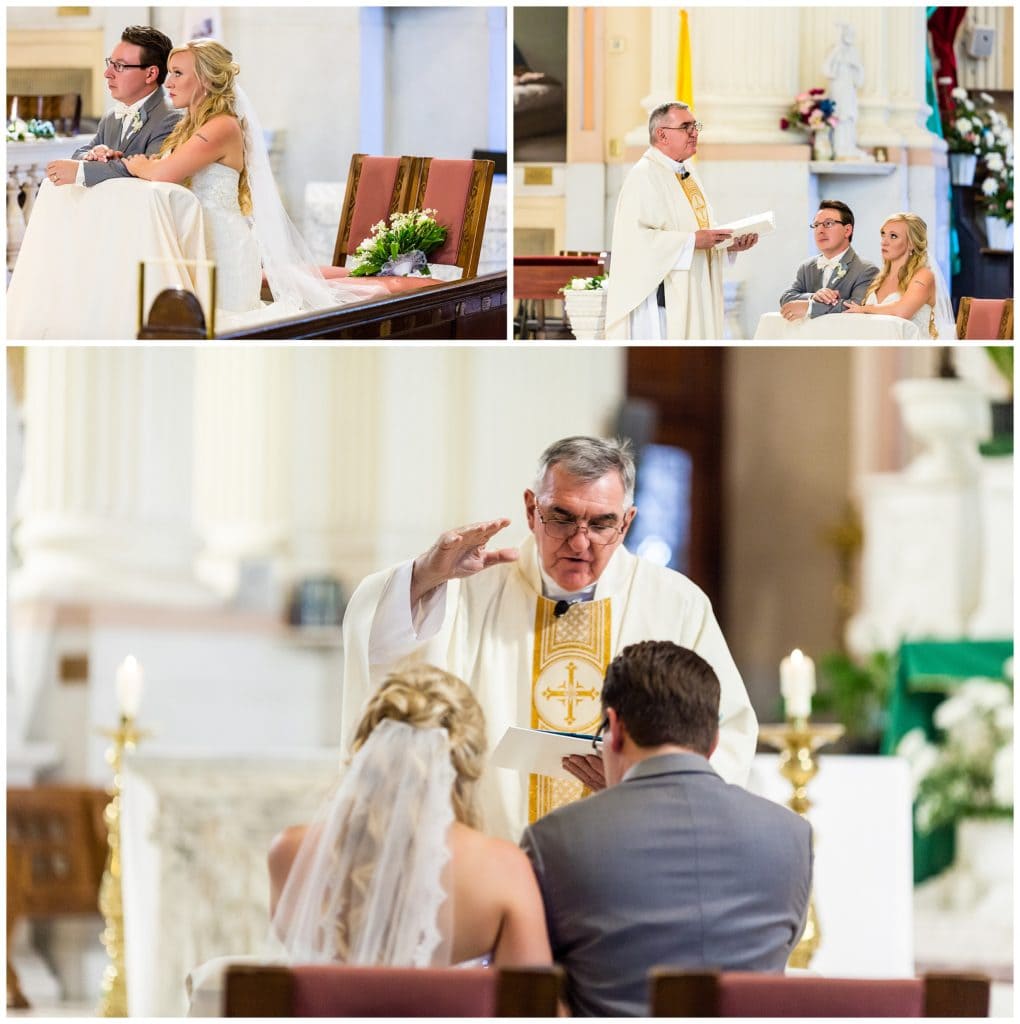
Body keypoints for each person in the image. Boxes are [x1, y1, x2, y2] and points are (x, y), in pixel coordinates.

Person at [341, 435, 758, 843]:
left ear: (627, 522)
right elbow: (384, 653)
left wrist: (644, 785)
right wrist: (426, 574)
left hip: (623, 858)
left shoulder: (675, 603)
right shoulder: (472, 589)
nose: (580, 542)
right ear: (530, 509)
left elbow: (727, 733)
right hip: (498, 861)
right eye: (561, 517)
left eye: (601, 523)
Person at [186, 663, 551, 1015]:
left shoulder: (289, 853)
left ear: (365, 749)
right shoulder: (503, 871)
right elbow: (536, 1011)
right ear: (469, 765)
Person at [8, 38, 383, 339]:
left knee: (222, 328)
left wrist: (143, 165)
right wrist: (130, 161)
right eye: (169, 73)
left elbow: (163, 172)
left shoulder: (222, 126)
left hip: (222, 246)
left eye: (177, 74)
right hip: (193, 242)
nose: (167, 82)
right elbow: (155, 166)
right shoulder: (190, 125)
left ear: (204, 79)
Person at [521, 641, 812, 1017]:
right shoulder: (791, 836)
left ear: (617, 728)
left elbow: (537, 989)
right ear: (713, 742)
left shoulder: (552, 840)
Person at [604, 101, 758, 340]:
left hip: (693, 289)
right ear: (662, 134)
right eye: (686, 127)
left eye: (695, 126)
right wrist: (691, 241)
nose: (694, 133)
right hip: (663, 301)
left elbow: (700, 231)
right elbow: (635, 240)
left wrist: (728, 244)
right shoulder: (644, 175)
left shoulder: (686, 174)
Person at [45, 25, 181, 188]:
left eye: (120, 66)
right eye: (110, 63)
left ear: (150, 74)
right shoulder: (112, 116)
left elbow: (151, 171)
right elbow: (80, 153)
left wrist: (82, 171)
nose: (107, 73)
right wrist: (94, 155)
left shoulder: (170, 117)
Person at [843, 213, 955, 339]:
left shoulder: (924, 276)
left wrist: (864, 309)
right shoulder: (879, 278)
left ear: (911, 244)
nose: (884, 242)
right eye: (883, 234)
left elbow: (902, 311)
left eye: (893, 236)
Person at [779, 200, 878, 322]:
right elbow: (786, 298)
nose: (820, 230)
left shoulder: (866, 269)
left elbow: (857, 307)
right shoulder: (806, 267)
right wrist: (813, 297)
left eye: (828, 223)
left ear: (847, 230)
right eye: (816, 225)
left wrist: (810, 307)